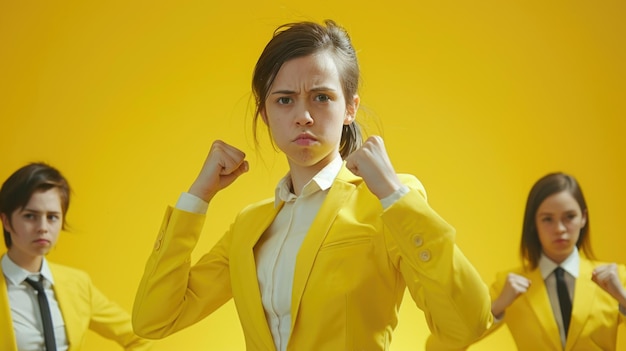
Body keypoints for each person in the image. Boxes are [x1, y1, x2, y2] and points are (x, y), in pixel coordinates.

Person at [132, 19, 492, 350]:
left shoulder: (386, 204)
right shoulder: (248, 227)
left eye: (321, 97)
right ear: (265, 114)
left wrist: (394, 195)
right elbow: (154, 318)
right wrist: (198, 196)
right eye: (284, 100)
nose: (303, 116)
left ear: (350, 108)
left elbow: (467, 323)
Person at [427, 172, 626, 350]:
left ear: (583, 218)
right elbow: (438, 347)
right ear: (533, 223)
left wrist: (623, 297)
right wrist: (496, 308)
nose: (559, 228)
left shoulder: (616, 278)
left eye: (569, 217)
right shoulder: (508, 285)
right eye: (548, 219)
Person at [0, 162, 152, 351]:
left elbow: (139, 336)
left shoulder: (77, 283)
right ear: (6, 221)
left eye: (52, 217)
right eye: (30, 216)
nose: (43, 227)